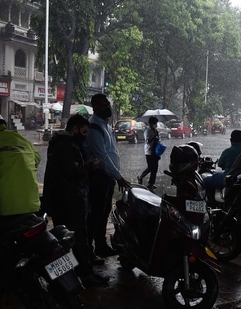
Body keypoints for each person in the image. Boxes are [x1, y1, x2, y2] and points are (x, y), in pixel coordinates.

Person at [43, 114, 109, 287]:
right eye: (84, 131)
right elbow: (73, 173)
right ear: (75, 129)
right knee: (78, 238)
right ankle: (86, 275)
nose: (85, 135)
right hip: (69, 200)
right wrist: (89, 166)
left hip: (59, 200)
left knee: (65, 239)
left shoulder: (58, 143)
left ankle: (68, 276)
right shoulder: (66, 146)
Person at [85, 93, 131, 260]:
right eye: (103, 104)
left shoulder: (105, 125)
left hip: (107, 177)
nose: (108, 107)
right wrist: (118, 177)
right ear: (95, 107)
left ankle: (101, 245)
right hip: (98, 177)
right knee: (95, 214)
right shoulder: (94, 128)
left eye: (108, 104)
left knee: (103, 213)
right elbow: (102, 157)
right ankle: (88, 251)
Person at [137, 116, 160, 192]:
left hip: (155, 151)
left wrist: (157, 135)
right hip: (149, 151)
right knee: (151, 167)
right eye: (154, 123)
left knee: (155, 168)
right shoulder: (147, 130)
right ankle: (141, 176)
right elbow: (148, 141)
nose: (155, 125)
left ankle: (151, 183)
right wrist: (154, 136)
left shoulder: (155, 130)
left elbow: (157, 140)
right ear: (151, 123)